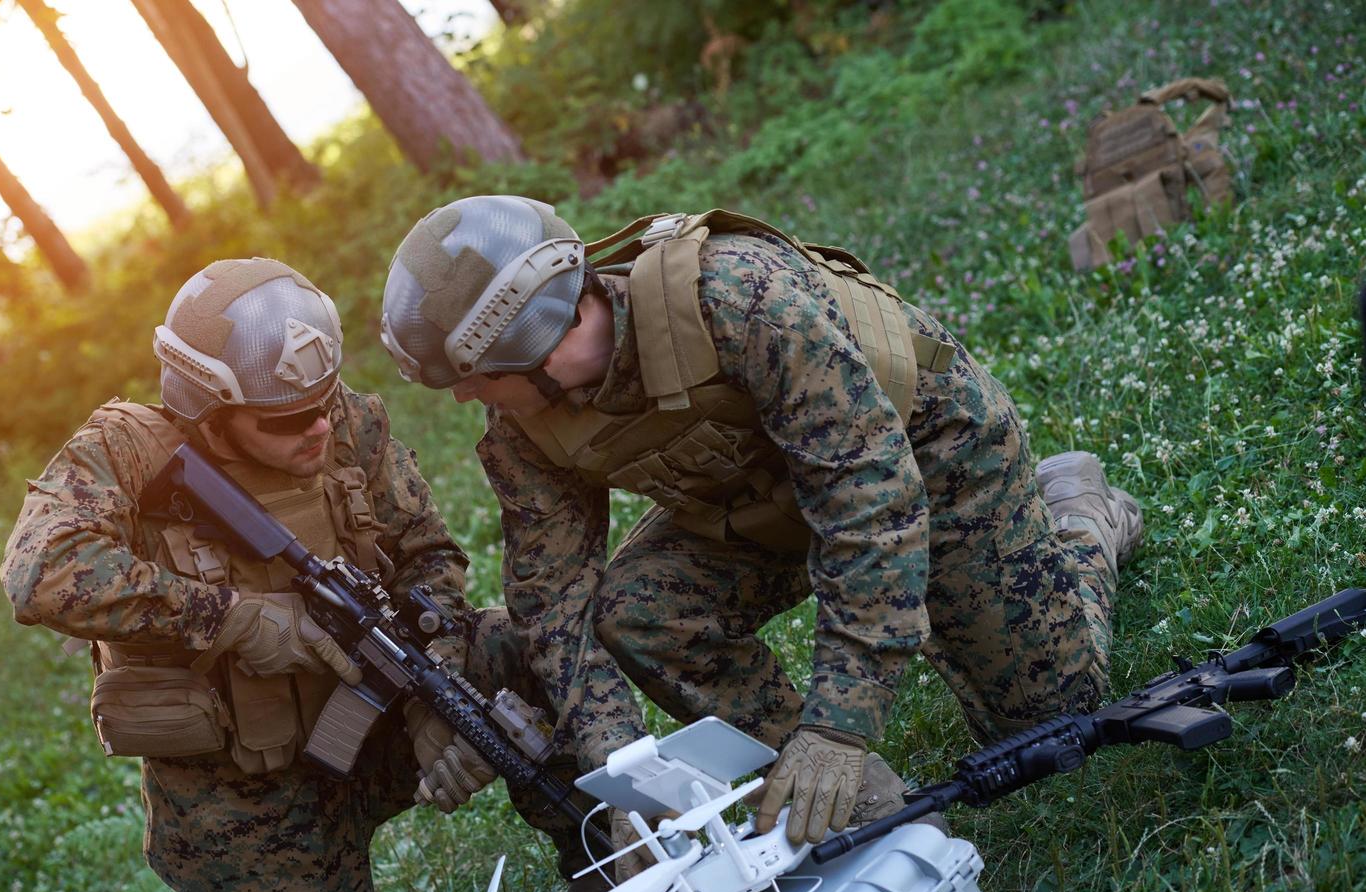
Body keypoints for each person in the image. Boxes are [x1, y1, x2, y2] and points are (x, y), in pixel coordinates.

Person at [378, 197, 1143, 855]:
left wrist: (841, 727)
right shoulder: (521, 430)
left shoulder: (739, 298)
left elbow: (868, 498)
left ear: (525, 341)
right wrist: (626, 785)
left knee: (1051, 727)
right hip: (763, 501)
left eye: (469, 378)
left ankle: (1078, 516)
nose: (460, 399)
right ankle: (816, 783)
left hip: (926, 455)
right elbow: (556, 607)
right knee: (638, 613)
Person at [0, 257, 590, 892]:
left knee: (521, 648)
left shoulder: (342, 419)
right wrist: (236, 619)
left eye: (323, 400)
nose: (317, 427)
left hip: (377, 723)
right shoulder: (124, 453)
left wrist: (431, 695)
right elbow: (39, 572)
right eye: (285, 418)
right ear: (208, 411)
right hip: (253, 804)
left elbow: (430, 554)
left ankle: (605, 864)